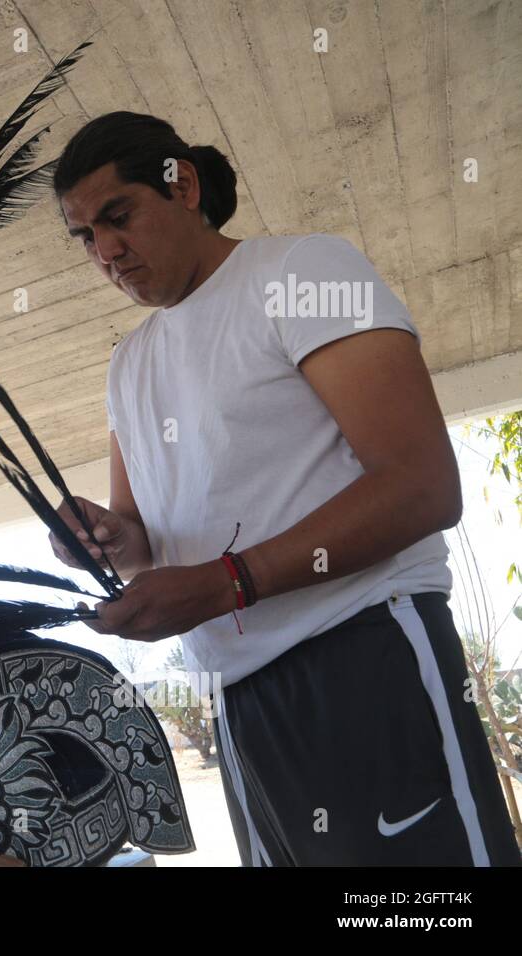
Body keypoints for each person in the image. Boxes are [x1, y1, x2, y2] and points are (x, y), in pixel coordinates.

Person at [47, 111, 520, 866]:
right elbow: (142, 541)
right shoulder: (127, 366)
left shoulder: (301, 274)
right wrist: (102, 536)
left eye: (118, 216)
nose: (106, 252)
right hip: (237, 700)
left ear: (183, 185)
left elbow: (423, 486)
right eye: (84, 237)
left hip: (363, 651)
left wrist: (228, 582)